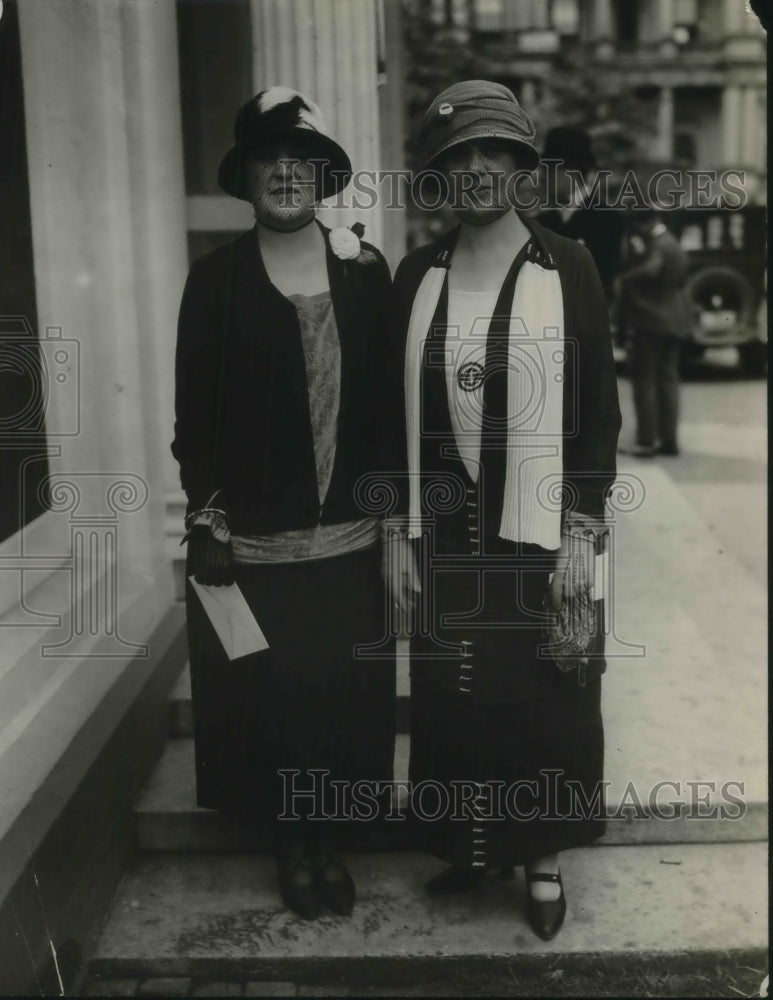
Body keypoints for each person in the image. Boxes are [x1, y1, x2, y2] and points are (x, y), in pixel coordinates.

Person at [383, 81, 621, 940]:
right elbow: (389, 414)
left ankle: (542, 857)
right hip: (447, 528)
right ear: (441, 174)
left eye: (494, 154)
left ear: (521, 165)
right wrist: (398, 535)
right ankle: (467, 844)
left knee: (544, 695)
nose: (477, 170)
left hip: (538, 529)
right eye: (459, 158)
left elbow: (598, 412)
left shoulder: (568, 264)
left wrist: (580, 533)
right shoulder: (419, 274)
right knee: (452, 694)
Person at [171, 88, 395, 920]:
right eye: (270, 159)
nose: (287, 174)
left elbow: (388, 407)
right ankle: (288, 842)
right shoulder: (216, 281)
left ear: (323, 177)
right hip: (256, 539)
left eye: (301, 161)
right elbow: (194, 417)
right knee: (271, 694)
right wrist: (207, 515)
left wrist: (394, 514)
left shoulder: (364, 274)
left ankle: (327, 839)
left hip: (349, 533)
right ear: (249, 176)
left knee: (336, 690)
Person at [616, 210, 692, 457]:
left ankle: (646, 440)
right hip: (675, 319)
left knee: (644, 380)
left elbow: (651, 269)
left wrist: (624, 280)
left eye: (638, 225)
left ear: (647, 222)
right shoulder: (673, 242)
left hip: (651, 320)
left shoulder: (658, 245)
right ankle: (669, 440)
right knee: (669, 380)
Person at [537, 125, 626, 302]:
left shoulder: (607, 221)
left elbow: (602, 286)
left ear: (572, 171)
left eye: (549, 168)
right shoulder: (541, 223)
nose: (542, 176)